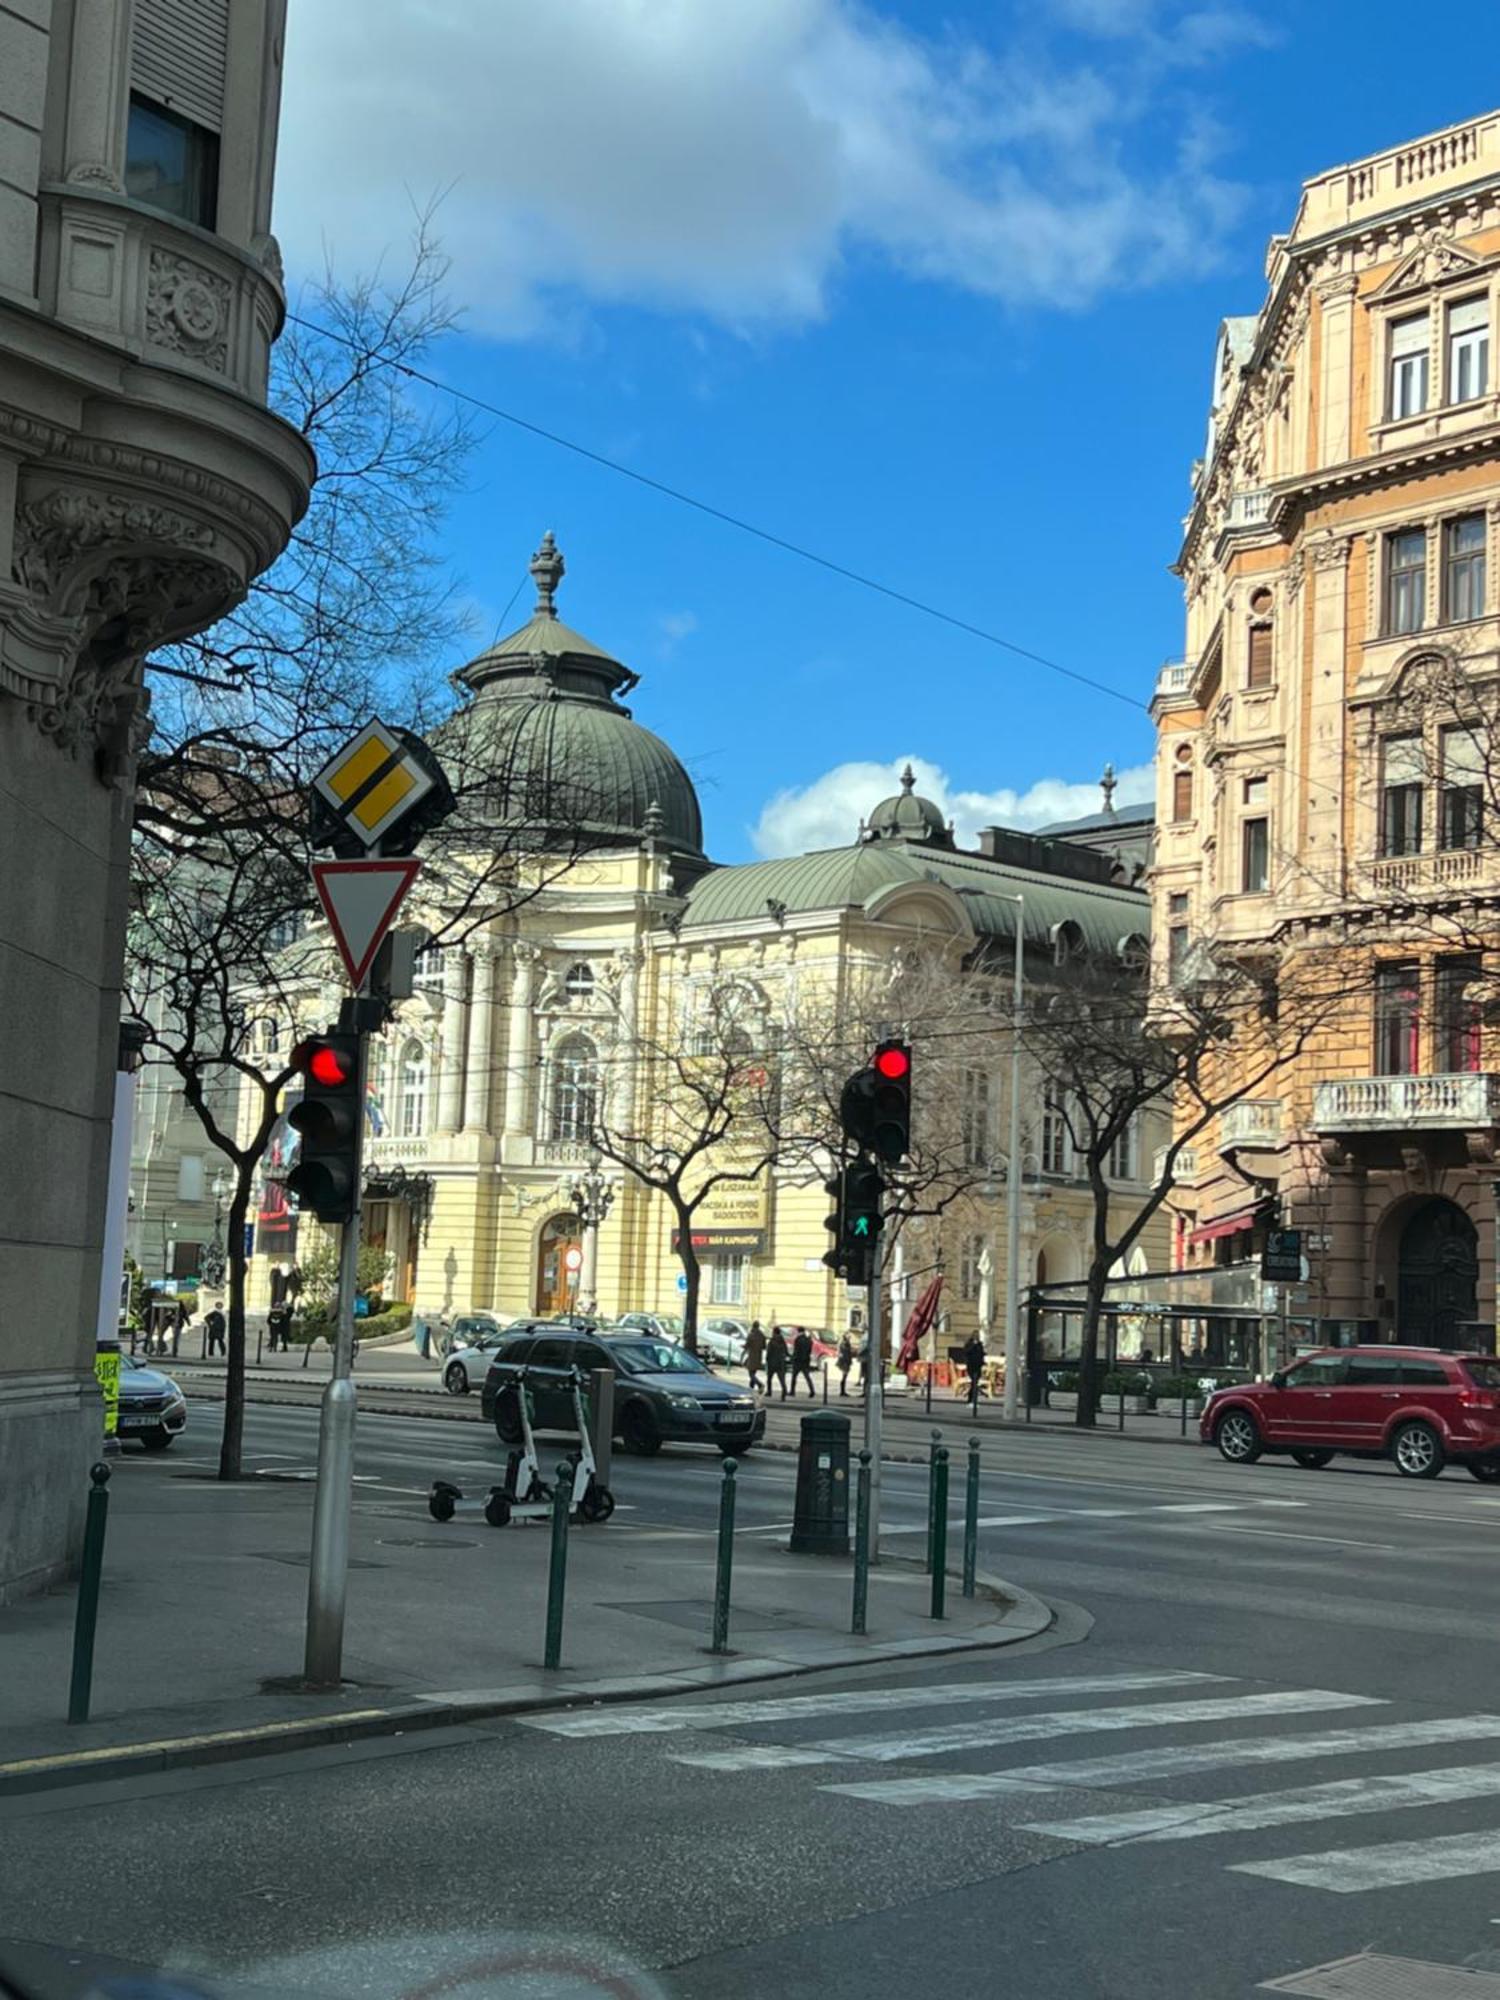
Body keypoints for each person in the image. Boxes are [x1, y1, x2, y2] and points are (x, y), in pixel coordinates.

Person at [962, 1331, 987, 1416]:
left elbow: (981, 1353)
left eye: (978, 1336)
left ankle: (972, 1400)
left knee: (975, 1383)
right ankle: (971, 1400)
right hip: (971, 1365)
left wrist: (983, 1357)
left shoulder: (980, 1344)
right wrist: (973, 1346)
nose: (977, 1337)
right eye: (976, 1335)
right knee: (974, 1382)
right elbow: (966, 1352)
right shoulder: (969, 1344)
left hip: (978, 1366)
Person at [789, 1326, 815, 1398]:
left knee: (794, 1377)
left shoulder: (798, 1339)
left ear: (798, 1331)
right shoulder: (808, 1340)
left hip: (798, 1361)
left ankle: (792, 1391)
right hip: (805, 1361)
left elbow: (796, 1351)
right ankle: (812, 1391)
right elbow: (809, 1350)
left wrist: (793, 1358)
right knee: (807, 1377)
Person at [765, 1324, 790, 1400]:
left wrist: (767, 1359)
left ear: (774, 1332)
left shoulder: (772, 1341)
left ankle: (769, 1392)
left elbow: (769, 1352)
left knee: (769, 1378)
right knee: (782, 1380)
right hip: (781, 1363)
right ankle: (784, 1393)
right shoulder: (782, 1342)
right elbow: (786, 1352)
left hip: (772, 1363)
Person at [743, 1320, 767, 1392]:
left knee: (751, 1374)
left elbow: (747, 1345)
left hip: (752, 1356)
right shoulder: (762, 1335)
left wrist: (743, 1346)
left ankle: (760, 1384)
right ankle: (751, 1388)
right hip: (758, 1356)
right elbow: (764, 1347)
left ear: (753, 1326)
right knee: (753, 1373)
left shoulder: (751, 1335)